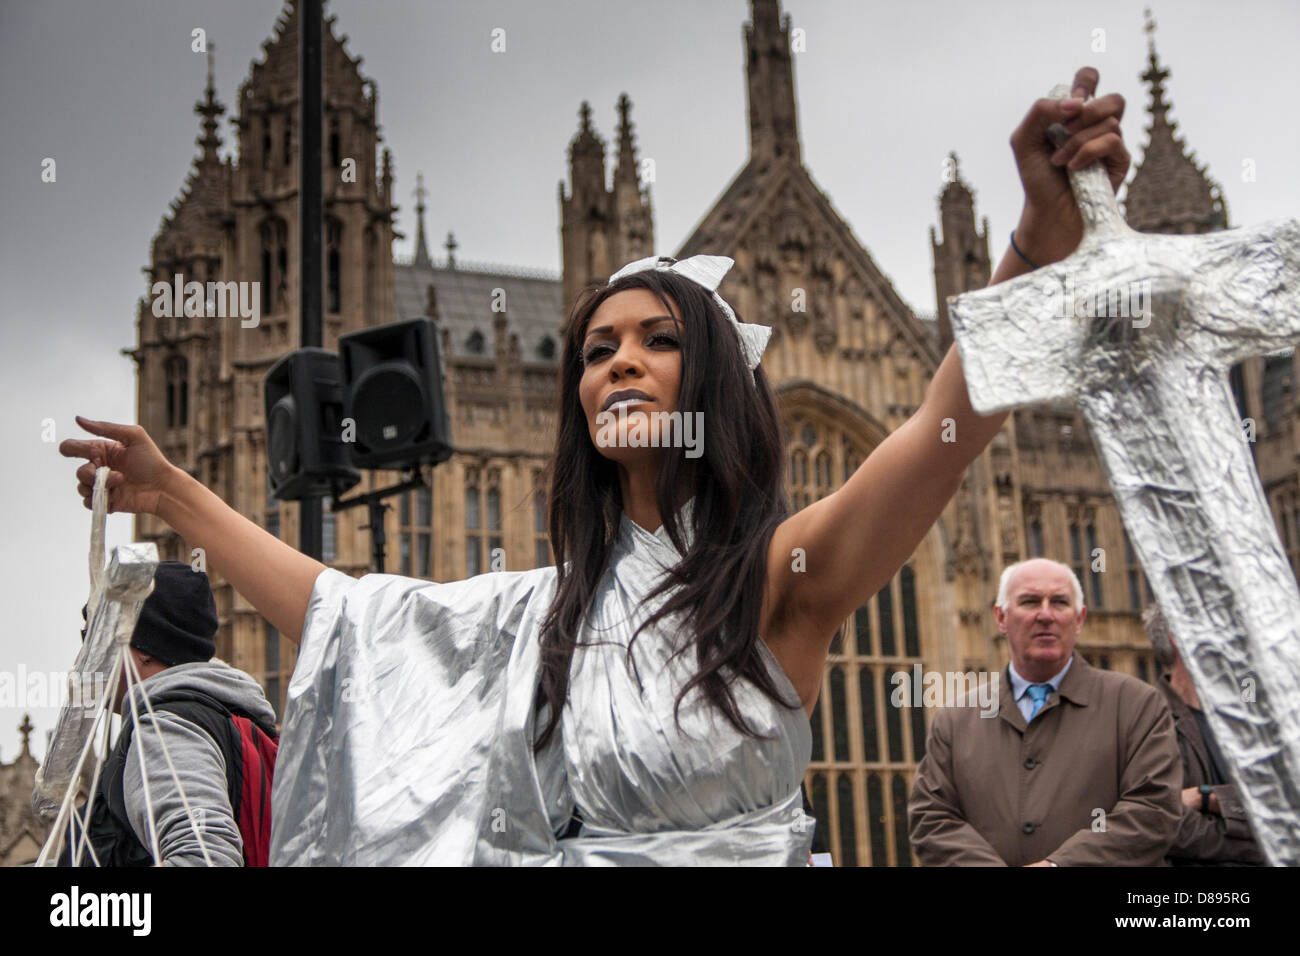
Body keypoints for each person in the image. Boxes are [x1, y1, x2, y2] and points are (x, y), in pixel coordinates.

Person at [62, 69, 1132, 865]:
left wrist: (1036, 238)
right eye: (596, 346)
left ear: (712, 379)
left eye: (658, 339)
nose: (619, 357)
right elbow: (346, 611)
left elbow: (944, 431)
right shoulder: (544, 613)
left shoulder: (774, 581)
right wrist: (172, 495)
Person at [908, 558, 1181, 866]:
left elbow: (1153, 812)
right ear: (1000, 617)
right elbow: (932, 818)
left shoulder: (1138, 705)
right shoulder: (956, 720)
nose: (1046, 615)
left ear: (1079, 619)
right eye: (1030, 601)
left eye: (1060, 603)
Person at [60, 562, 278, 867]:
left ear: (142, 646)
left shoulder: (166, 730)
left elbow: (205, 859)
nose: (80, 660)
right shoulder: (220, 718)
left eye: (91, 639)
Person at [1142, 605, 1265, 866]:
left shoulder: (1258, 721)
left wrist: (1205, 797)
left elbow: (1285, 806)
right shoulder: (1145, 721)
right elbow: (1158, 824)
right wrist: (1261, 844)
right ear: (1180, 636)